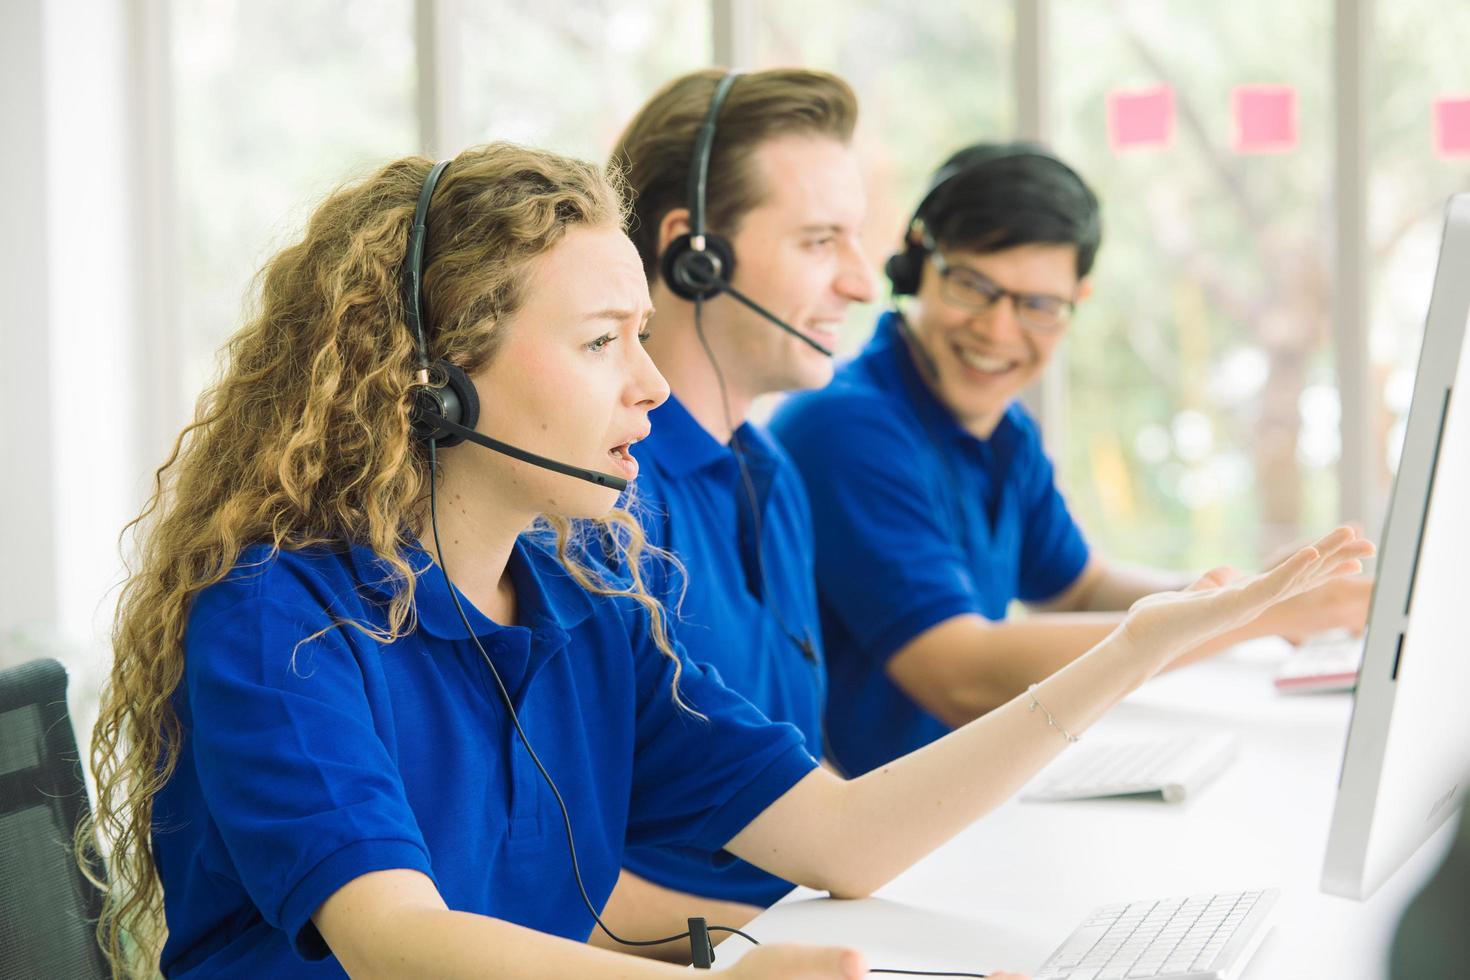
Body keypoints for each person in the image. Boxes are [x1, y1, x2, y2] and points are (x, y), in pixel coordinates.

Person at [81, 140, 1368, 980]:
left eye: (646, 334)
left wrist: (1139, 650)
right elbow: (396, 936)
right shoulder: (278, 619)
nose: (648, 385)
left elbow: (845, 836)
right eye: (600, 342)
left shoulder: (587, 598)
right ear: (433, 380)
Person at [769, 142, 1374, 777]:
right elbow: (958, 674)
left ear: (1075, 302)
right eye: (974, 286)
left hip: (977, 800)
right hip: (883, 831)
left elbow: (1079, 589)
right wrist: (1260, 614)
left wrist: (1245, 594)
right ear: (917, 265)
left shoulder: (1002, 431)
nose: (999, 332)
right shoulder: (845, 428)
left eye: (1038, 306)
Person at [594, 67, 876, 947]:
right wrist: (809, 935)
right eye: (820, 242)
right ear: (693, 251)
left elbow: (802, 779)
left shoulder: (774, 476)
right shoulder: (600, 497)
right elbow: (553, 880)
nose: (863, 284)